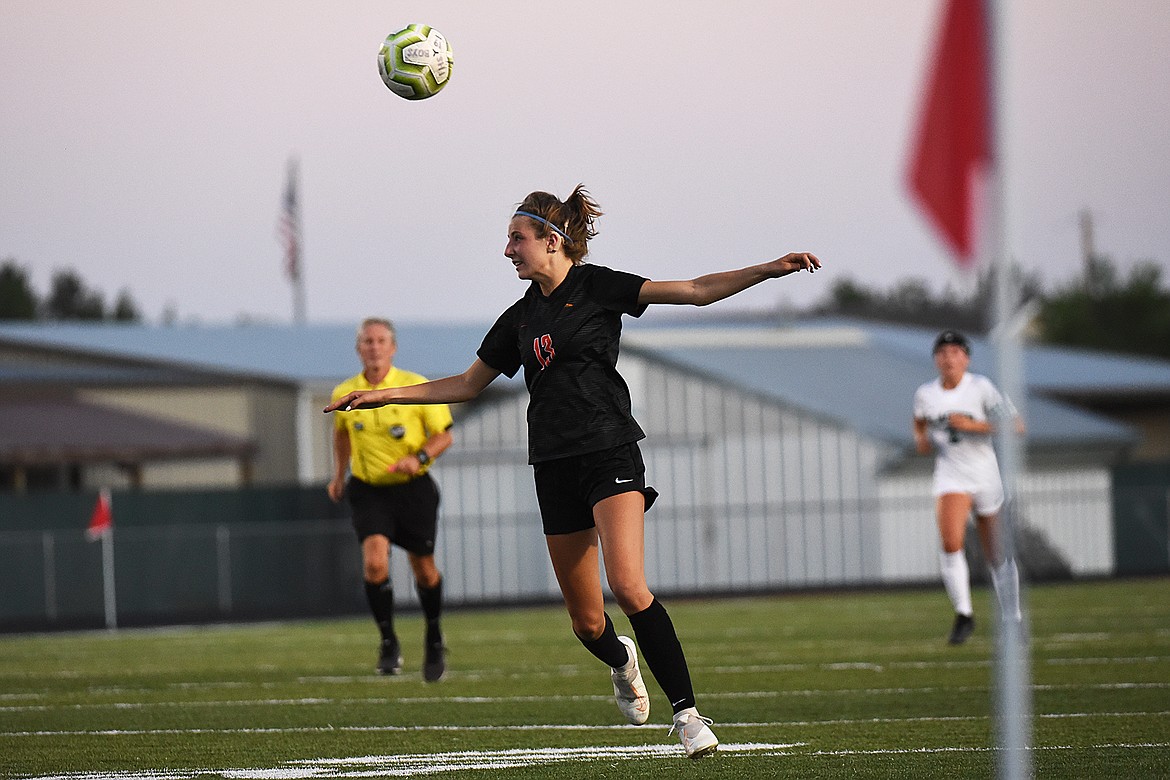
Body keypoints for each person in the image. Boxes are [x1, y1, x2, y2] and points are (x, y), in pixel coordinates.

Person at [325, 185, 820, 759]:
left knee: (629, 584)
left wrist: (769, 269)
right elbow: (464, 385)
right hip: (553, 465)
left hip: (610, 452)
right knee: (588, 624)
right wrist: (384, 397)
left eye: (517, 239)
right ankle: (622, 659)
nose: (507, 250)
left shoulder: (597, 286)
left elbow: (694, 291)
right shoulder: (517, 319)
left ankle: (688, 715)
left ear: (552, 241)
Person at [328, 317, 454, 681]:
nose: (374, 347)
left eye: (381, 340)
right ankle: (388, 640)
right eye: (367, 341)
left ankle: (433, 635)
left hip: (413, 489)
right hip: (369, 489)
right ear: (358, 349)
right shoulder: (346, 391)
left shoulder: (414, 386)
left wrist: (419, 458)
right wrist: (339, 475)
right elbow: (341, 434)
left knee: (424, 570)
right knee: (374, 565)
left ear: (393, 347)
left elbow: (444, 436)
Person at [912, 329, 1024, 645]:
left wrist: (973, 425)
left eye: (955, 352)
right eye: (943, 353)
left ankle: (1012, 618)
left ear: (967, 358)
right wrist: (920, 439)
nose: (949, 358)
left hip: (985, 474)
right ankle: (964, 613)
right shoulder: (926, 393)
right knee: (950, 542)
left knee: (997, 553)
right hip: (950, 473)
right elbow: (919, 421)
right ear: (935, 359)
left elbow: (1016, 426)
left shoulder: (982, 388)